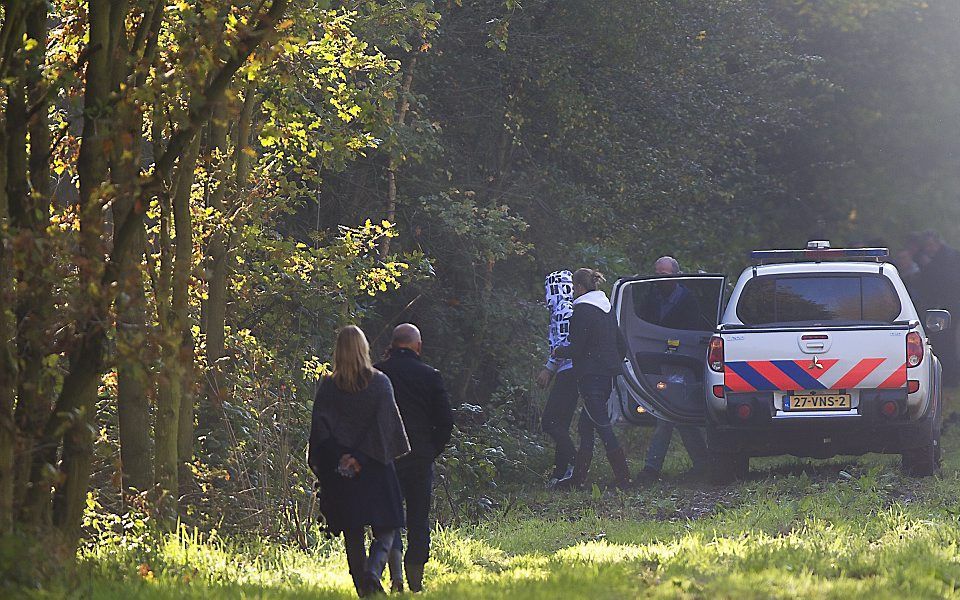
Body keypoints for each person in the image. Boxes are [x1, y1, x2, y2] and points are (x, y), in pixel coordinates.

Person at [308, 325, 410, 597]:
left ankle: (364, 588)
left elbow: (320, 430)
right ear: (364, 349)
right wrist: (362, 457)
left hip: (342, 472)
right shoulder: (380, 383)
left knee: (352, 531)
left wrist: (341, 457)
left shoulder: (328, 387)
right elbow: (386, 428)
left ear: (338, 352)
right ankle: (373, 573)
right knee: (387, 526)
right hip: (376, 467)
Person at [375, 324, 454, 593]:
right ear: (418, 346)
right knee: (419, 518)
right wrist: (431, 450)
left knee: (389, 516)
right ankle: (415, 576)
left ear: (393, 344)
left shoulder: (377, 373)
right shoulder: (430, 376)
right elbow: (446, 421)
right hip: (420, 457)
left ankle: (395, 574)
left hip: (385, 457)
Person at [553, 268, 631, 489]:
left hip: (590, 375)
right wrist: (612, 364)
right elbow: (621, 344)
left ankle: (623, 479)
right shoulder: (606, 309)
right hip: (606, 376)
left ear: (578, 287)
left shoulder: (582, 311)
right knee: (586, 426)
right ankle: (578, 479)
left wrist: (558, 352)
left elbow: (577, 349)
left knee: (603, 426)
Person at [635, 256, 710, 484]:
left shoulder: (688, 301)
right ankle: (704, 463)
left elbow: (692, 333)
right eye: (656, 274)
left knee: (668, 414)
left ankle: (651, 469)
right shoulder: (652, 298)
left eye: (664, 274)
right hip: (661, 362)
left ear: (676, 276)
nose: (659, 279)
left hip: (684, 364)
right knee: (675, 415)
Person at [537, 270, 579, 488]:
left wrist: (548, 369)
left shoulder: (564, 310)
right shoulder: (565, 309)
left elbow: (562, 346)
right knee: (560, 422)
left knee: (550, 421)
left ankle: (575, 463)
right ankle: (560, 472)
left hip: (570, 372)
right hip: (571, 371)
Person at [915, 231, 960, 386]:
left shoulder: (948, 258)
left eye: (931, 245)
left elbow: (946, 281)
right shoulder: (941, 257)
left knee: (947, 343)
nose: (929, 248)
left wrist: (929, 266)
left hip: (948, 307)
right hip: (942, 306)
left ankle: (951, 378)